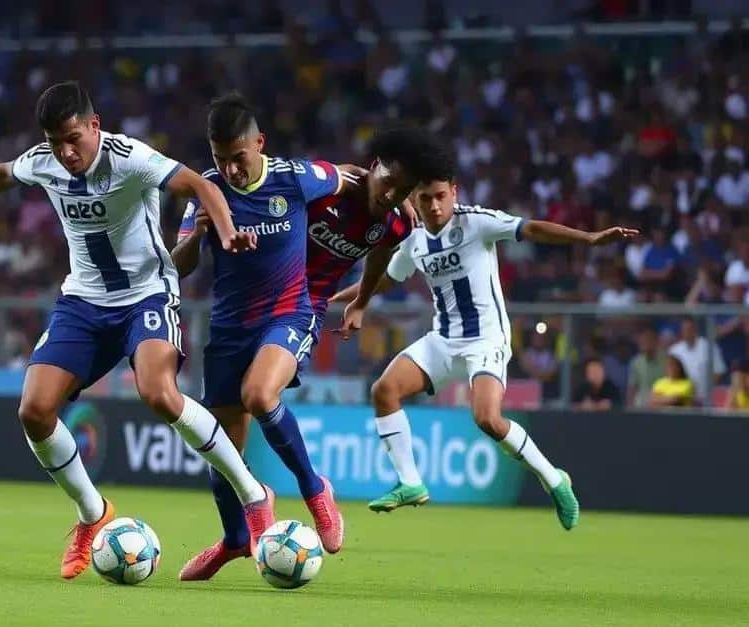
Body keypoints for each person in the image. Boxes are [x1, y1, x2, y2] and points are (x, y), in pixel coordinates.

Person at [0, 81, 273, 580]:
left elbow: (201, 186)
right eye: (56, 141)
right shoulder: (45, 160)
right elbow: (3, 175)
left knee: (159, 394)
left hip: (146, 294)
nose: (65, 151)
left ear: (94, 126)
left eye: (74, 137)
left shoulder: (129, 158)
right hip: (84, 301)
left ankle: (253, 494)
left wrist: (225, 232)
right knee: (34, 410)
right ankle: (93, 514)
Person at [168, 96, 425, 581]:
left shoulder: (300, 177)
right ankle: (236, 540)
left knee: (259, 395)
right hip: (228, 325)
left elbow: (351, 179)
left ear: (259, 144)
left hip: (291, 309)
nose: (230, 168)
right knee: (222, 447)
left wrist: (390, 189)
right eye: (220, 158)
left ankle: (314, 490)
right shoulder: (206, 191)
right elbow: (177, 267)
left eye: (238, 157)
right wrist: (194, 237)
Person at [335, 154, 638, 530]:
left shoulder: (476, 221)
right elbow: (382, 278)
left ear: (454, 192)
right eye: (425, 198)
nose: (434, 205)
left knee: (487, 419)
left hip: (485, 339)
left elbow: (533, 229)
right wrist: (337, 301)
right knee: (384, 391)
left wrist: (589, 238)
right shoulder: (413, 239)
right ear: (413, 198)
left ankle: (554, 480)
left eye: (441, 196)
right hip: (443, 340)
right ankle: (410, 482)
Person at [668, 317, 726, 404]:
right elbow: (669, 374)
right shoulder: (674, 350)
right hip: (681, 400)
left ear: (695, 329)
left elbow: (719, 371)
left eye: (689, 329)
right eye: (684, 329)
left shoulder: (709, 347)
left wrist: (708, 391)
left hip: (705, 399)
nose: (687, 332)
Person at [627, 327, 665, 407]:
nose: (643, 344)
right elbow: (632, 388)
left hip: (662, 406)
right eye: (642, 341)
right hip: (641, 408)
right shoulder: (636, 363)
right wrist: (630, 408)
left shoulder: (666, 361)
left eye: (647, 341)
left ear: (655, 342)